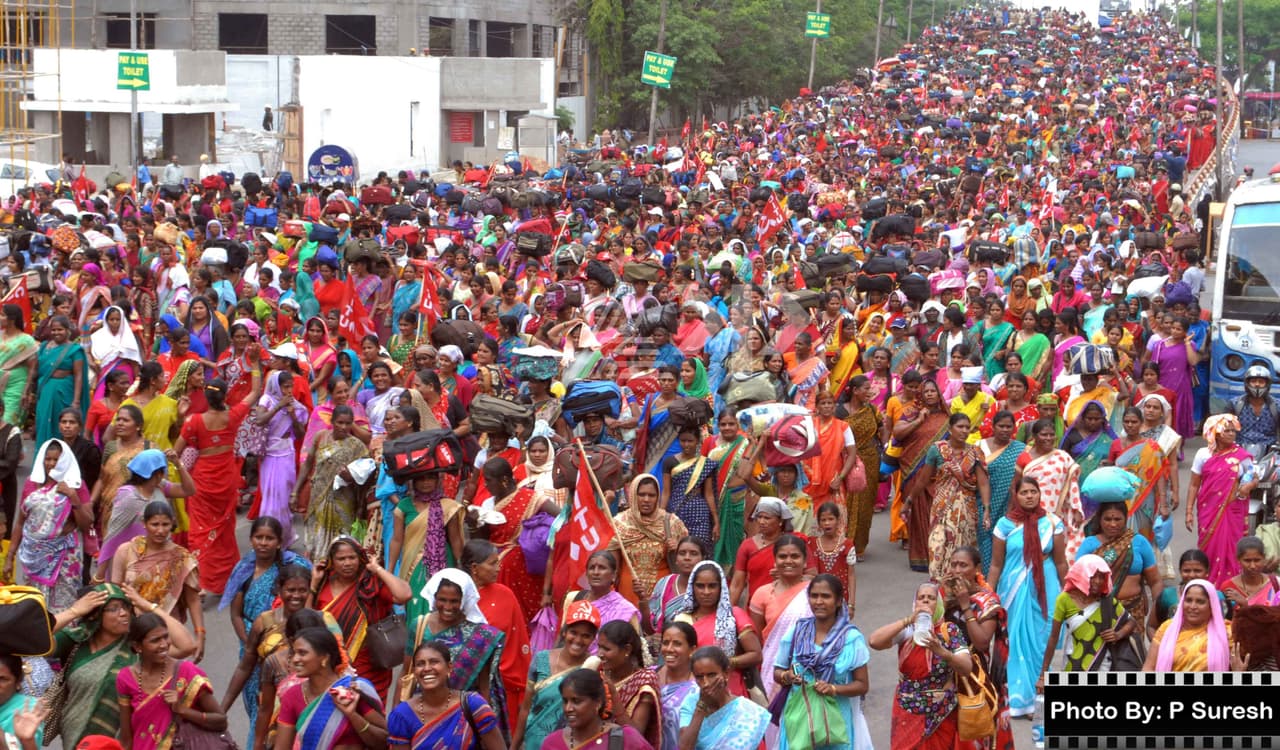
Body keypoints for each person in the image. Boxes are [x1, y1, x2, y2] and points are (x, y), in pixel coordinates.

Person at [46, 583, 197, 748]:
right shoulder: (76, 641)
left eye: (126, 607)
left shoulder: (136, 646)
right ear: (96, 613)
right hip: (76, 736)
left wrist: (148, 606)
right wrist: (74, 611)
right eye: (114, 609)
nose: (124, 613)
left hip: (122, 741)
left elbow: (186, 646)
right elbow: (34, 640)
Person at [173, 376, 262, 595]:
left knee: (201, 529)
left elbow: (176, 451)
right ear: (224, 396)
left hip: (203, 480)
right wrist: (254, 365)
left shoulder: (193, 421)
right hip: (226, 478)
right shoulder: (232, 417)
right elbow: (255, 392)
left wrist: (182, 419)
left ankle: (201, 580)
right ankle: (226, 577)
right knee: (224, 528)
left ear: (206, 397)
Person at [988, 477, 1067, 717]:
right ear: (1016, 495)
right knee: (1014, 641)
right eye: (1025, 492)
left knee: (1042, 641)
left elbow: (1062, 562)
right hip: (1013, 588)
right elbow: (995, 565)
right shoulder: (1004, 525)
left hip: (1046, 587)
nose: (1030, 496)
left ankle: (1039, 697)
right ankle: (1018, 699)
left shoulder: (1053, 523)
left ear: (1040, 494)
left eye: (1034, 491)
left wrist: (1069, 592)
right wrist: (987, 596)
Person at [771, 574, 872, 750]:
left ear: (839, 601)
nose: (818, 601)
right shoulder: (797, 631)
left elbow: (862, 685)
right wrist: (787, 676)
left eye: (826, 596)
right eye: (814, 596)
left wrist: (833, 689)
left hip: (835, 723)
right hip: (800, 717)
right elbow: (777, 671)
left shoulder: (851, 639)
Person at [868, 581, 973, 749]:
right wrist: (908, 620)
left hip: (940, 711)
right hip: (907, 708)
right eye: (921, 598)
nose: (925, 601)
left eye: (931, 598)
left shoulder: (949, 630)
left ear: (938, 604)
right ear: (914, 603)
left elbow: (967, 667)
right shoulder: (908, 630)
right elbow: (874, 641)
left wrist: (943, 652)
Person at [310, 536, 412, 700]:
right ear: (332, 561)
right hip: (332, 663)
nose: (347, 563)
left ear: (360, 558)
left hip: (369, 663)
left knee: (370, 713)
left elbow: (404, 594)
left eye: (352, 557)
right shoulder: (323, 584)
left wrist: (377, 569)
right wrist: (313, 584)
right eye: (341, 559)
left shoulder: (370, 584)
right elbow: (307, 620)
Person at [401, 568, 505, 726]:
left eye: (454, 601)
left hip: (462, 713)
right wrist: (398, 711)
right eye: (442, 599)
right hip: (422, 710)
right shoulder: (420, 625)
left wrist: (484, 723)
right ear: (434, 597)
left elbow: (485, 685)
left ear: (464, 601)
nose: (447, 607)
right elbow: (406, 672)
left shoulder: (480, 635)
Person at [218, 560, 313, 730]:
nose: (296, 596)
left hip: (311, 707)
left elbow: (338, 665)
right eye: (291, 590)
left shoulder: (321, 621)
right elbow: (245, 667)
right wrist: (221, 709)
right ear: (279, 590)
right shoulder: (263, 622)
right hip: (271, 706)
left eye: (302, 590)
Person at [116, 611, 228, 750]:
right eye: (155, 640)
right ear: (137, 646)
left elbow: (220, 720)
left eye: (165, 637)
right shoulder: (125, 678)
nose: (164, 645)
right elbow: (126, 738)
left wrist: (182, 710)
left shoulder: (186, 671)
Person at [5, 438, 90, 610]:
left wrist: (74, 498)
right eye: (48, 459)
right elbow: (21, 523)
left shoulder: (75, 485)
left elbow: (87, 524)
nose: (51, 464)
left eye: (56, 459)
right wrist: (10, 556)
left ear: (65, 461)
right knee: (33, 606)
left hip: (64, 557)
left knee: (65, 607)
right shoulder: (32, 483)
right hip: (33, 557)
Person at [108, 502, 203, 656]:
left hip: (166, 628)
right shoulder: (127, 551)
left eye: (165, 524)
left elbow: (193, 599)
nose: (160, 530)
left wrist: (200, 635)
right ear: (144, 524)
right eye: (154, 524)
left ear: (172, 523)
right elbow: (115, 592)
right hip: (133, 628)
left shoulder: (182, 558)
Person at [943, 546, 1014, 749]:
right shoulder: (943, 594)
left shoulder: (987, 601)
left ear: (977, 569)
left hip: (974, 675)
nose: (957, 570)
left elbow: (982, 641)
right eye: (954, 564)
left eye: (963, 565)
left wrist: (965, 606)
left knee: (972, 729)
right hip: (944, 673)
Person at [906, 412, 991, 581]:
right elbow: (923, 480)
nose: (964, 431)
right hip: (941, 510)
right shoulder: (937, 450)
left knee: (963, 550)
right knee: (937, 547)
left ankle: (961, 589)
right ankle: (939, 587)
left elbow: (983, 483)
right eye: (960, 426)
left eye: (967, 427)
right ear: (950, 429)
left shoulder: (975, 453)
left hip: (967, 510)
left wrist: (986, 509)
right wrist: (908, 501)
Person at [273, 626, 389, 749]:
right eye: (294, 653)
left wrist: (352, 715)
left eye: (302, 653)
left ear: (324, 657)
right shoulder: (292, 696)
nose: (295, 659)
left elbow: (385, 740)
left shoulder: (353, 690)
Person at [460, 539, 532, 734]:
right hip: (466, 686)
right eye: (492, 563)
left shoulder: (505, 595)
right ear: (474, 568)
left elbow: (520, 642)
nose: (498, 568)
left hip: (507, 684)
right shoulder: (457, 599)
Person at [511, 600, 601, 750]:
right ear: (564, 632)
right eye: (574, 632)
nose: (578, 640)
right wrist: (514, 746)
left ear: (593, 639)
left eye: (586, 636)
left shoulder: (592, 669)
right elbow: (526, 708)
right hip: (533, 743)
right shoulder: (541, 659)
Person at [96, 448, 194, 582]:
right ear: (157, 474)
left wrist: (178, 464)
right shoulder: (129, 496)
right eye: (162, 471)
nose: (164, 475)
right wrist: (99, 575)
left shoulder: (159, 487)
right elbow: (113, 534)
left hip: (160, 555)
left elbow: (189, 490)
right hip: (133, 562)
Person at [387, 641, 505, 750]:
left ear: (449, 668)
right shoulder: (402, 716)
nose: (427, 668)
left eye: (434, 662)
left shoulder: (473, 705)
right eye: (420, 664)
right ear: (414, 671)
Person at [1038, 555, 1137, 677]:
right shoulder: (1064, 600)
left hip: (1102, 663)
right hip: (1073, 661)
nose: (1098, 581)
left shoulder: (1106, 601)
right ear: (1081, 575)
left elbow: (1131, 621)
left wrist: (1118, 635)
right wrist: (1043, 675)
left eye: (1101, 577)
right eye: (1093, 576)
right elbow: (1053, 638)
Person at [1187, 414, 1257, 586]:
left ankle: (1230, 587)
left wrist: (1249, 486)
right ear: (1215, 433)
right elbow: (1194, 485)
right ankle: (1207, 585)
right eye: (1226, 430)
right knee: (1209, 546)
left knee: (1232, 548)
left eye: (1233, 430)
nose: (1231, 434)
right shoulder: (1203, 454)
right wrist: (1189, 511)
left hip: (1233, 510)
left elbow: (1254, 477)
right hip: (1208, 511)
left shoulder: (1242, 456)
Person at [296, 405, 371, 561]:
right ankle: (318, 571)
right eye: (340, 422)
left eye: (348, 423)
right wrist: (295, 491)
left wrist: (351, 477)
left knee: (341, 540)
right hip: (319, 497)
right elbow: (309, 463)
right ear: (332, 421)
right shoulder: (320, 437)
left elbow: (366, 476)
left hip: (344, 501)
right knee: (317, 538)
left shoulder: (357, 446)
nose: (344, 427)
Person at [677, 560, 762, 698]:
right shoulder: (682, 619)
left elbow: (756, 655)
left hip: (730, 688)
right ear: (692, 588)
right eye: (700, 586)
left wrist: (723, 664)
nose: (706, 592)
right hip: (692, 689)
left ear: (721, 587)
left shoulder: (734, 615)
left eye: (712, 586)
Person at [1077, 501, 1163, 630]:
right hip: (1098, 613)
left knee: (1132, 649)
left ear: (1126, 519)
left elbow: (1155, 581)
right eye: (1107, 519)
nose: (1113, 524)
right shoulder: (1089, 544)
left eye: (1117, 519)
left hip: (1133, 612)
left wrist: (1158, 612)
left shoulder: (1139, 542)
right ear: (1099, 519)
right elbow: (1078, 581)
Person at [613, 473, 689, 616]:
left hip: (662, 593)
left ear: (658, 497)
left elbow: (689, 557)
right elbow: (612, 565)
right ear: (633, 495)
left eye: (651, 495)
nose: (646, 499)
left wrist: (678, 548)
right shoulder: (620, 523)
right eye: (641, 494)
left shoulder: (672, 523)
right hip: (627, 593)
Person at [749, 535, 812, 701]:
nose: (788, 561)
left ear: (805, 562)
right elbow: (757, 639)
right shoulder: (762, 594)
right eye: (783, 556)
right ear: (775, 561)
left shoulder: (815, 593)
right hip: (772, 668)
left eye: (795, 556)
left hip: (811, 669)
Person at [1012, 418, 1086, 560]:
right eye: (1044, 435)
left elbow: (1072, 484)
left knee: (1057, 552)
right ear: (1034, 437)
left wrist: (1076, 509)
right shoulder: (1024, 458)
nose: (1048, 438)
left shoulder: (1062, 456)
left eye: (1052, 435)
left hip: (1059, 513)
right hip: (1031, 511)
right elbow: (1016, 487)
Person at [896, 379, 951, 567]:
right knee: (918, 515)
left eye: (932, 391)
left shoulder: (947, 417)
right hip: (914, 471)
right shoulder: (911, 413)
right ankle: (920, 557)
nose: (929, 394)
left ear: (938, 393)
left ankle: (939, 557)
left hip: (939, 475)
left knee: (938, 516)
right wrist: (919, 420)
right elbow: (897, 433)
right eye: (925, 391)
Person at [676, 646, 770, 750]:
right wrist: (701, 706)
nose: (706, 683)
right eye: (699, 677)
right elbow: (684, 747)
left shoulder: (747, 711)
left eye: (711, 675)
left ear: (726, 673)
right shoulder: (690, 703)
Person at [254, 370, 309, 547]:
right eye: (286, 387)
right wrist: (279, 406)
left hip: (287, 453)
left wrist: (292, 414)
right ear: (277, 386)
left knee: (284, 497)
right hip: (271, 455)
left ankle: (284, 536)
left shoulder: (295, 405)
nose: (289, 390)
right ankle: (268, 535)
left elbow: (300, 433)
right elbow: (259, 420)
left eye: (291, 386)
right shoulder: (267, 400)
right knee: (271, 496)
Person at [540, 668, 654, 750]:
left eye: (576, 701)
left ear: (598, 703)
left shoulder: (626, 739)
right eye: (565, 701)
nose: (568, 708)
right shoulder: (552, 743)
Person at [1143, 579, 1238, 672]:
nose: (1192, 607)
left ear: (1211, 605)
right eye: (1188, 600)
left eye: (1200, 602)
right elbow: (1148, 668)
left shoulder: (1226, 631)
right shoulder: (1167, 628)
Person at [598, 620, 662, 748]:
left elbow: (635, 736)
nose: (600, 654)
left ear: (627, 649)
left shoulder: (644, 680)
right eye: (599, 647)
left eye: (606, 649)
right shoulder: (599, 674)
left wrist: (613, 696)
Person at [978, 410, 1026, 572]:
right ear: (993, 426)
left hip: (1010, 503)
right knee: (985, 537)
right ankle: (986, 578)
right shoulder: (980, 446)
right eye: (1001, 426)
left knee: (1006, 538)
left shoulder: (1020, 449)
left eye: (1009, 426)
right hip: (983, 501)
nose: (1005, 430)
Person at [33, 315, 88, 447]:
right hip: (45, 391)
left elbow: (79, 375)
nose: (56, 333)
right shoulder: (44, 347)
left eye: (60, 330)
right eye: (54, 330)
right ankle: (43, 460)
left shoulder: (75, 350)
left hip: (64, 392)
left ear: (68, 330)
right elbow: (36, 370)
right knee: (43, 424)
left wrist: (75, 401)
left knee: (63, 426)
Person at [843, 375, 883, 555]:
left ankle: (859, 546)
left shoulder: (872, 411)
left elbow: (882, 429)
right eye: (866, 388)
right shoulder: (840, 412)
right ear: (855, 391)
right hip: (844, 461)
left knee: (866, 503)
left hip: (869, 460)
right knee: (844, 501)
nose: (870, 391)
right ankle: (842, 542)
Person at [705, 412, 750, 568]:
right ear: (718, 425)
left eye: (731, 424)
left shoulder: (746, 444)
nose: (727, 427)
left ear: (738, 425)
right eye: (723, 424)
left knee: (736, 543)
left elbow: (750, 474)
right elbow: (703, 476)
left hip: (738, 501)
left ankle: (734, 580)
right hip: (713, 503)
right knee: (715, 542)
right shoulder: (710, 443)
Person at [662, 428, 719, 549]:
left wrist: (716, 520)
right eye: (683, 441)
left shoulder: (705, 464)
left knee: (699, 547)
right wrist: (660, 515)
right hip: (676, 512)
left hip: (699, 513)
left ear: (697, 441)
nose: (686, 444)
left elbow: (709, 494)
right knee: (676, 548)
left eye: (690, 441)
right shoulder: (669, 462)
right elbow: (666, 492)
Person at [728, 497, 791, 605]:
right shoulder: (747, 545)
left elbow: (810, 576)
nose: (761, 522)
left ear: (780, 521)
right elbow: (737, 584)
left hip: (786, 605)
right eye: (759, 517)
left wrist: (788, 574)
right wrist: (726, 614)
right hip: (755, 606)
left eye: (767, 518)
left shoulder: (792, 544)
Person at [649, 536, 707, 634]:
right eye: (682, 553)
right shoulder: (664, 584)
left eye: (693, 554)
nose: (687, 558)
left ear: (703, 559)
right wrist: (642, 601)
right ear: (676, 558)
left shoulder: (708, 587)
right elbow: (652, 626)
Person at [654, 622, 698, 750]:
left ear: (692, 650)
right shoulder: (650, 676)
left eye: (677, 644)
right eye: (666, 642)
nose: (669, 649)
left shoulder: (700, 687)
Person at [0, 303, 37, 425]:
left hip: (16, 385)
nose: (0, 317)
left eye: (2, 315)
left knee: (8, 421)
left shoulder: (26, 340)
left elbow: (32, 368)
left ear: (12, 319)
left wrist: (26, 391)